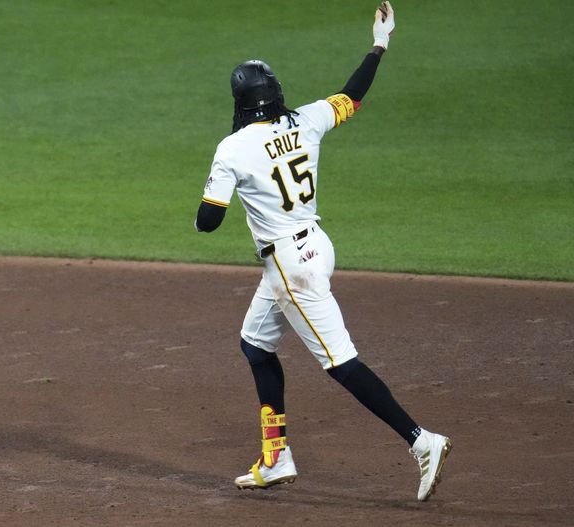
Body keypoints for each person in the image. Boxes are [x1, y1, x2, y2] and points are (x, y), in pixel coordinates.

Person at [194, 2, 451, 501]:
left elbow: (207, 222)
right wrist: (380, 43)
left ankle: (422, 440)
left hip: (293, 267)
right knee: (255, 345)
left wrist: (220, 185)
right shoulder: (307, 120)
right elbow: (351, 96)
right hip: (315, 247)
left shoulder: (233, 149)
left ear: (240, 101)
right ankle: (278, 456)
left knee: (341, 362)